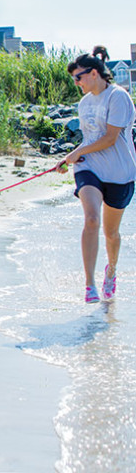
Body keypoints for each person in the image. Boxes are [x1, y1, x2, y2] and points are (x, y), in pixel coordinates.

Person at [56, 45, 136, 303]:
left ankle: (110, 273)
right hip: (89, 167)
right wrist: (72, 157)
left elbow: (111, 138)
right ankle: (89, 285)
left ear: (94, 73)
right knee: (91, 219)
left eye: (78, 77)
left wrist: (74, 153)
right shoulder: (84, 103)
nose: (76, 82)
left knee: (111, 233)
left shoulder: (118, 96)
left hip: (120, 173)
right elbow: (90, 139)